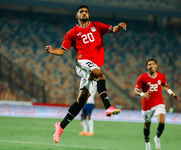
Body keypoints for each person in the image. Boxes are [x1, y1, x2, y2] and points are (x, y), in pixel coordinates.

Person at [45, 5, 126, 143]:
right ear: (77, 16)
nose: (84, 13)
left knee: (81, 101)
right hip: (83, 63)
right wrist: (52, 50)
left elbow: (112, 29)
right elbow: (62, 50)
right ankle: (108, 107)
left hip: (94, 65)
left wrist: (119, 26)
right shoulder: (72, 32)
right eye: (81, 11)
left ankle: (61, 126)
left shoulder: (97, 26)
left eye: (86, 11)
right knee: (101, 76)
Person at [134, 58, 179, 150]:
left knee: (162, 121)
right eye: (149, 64)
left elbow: (165, 86)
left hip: (159, 103)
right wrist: (143, 94)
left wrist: (172, 93)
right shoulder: (142, 77)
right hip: (147, 105)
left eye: (153, 64)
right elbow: (135, 91)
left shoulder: (162, 76)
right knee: (147, 125)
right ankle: (147, 144)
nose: (152, 66)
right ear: (147, 67)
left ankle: (157, 138)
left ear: (156, 66)